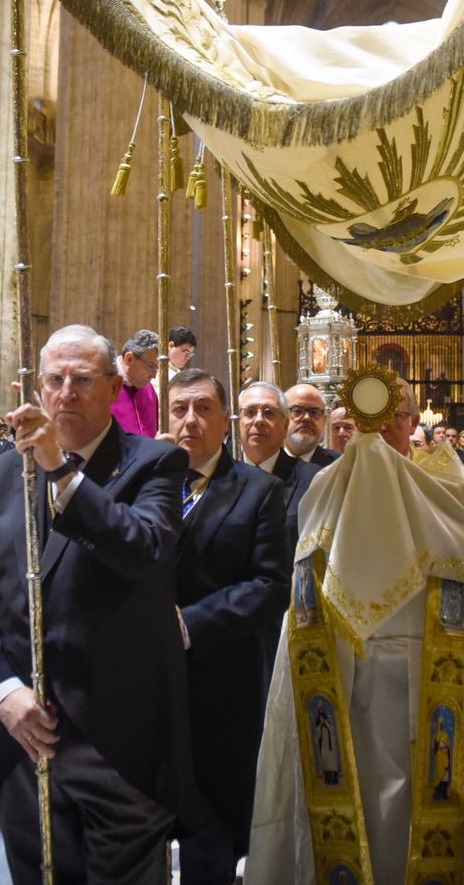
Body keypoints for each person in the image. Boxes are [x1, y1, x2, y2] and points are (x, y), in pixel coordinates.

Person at [248, 377, 464, 883]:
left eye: (400, 415)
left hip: (430, 675)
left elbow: (461, 567)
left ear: (415, 420)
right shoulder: (326, 486)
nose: (386, 429)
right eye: (377, 417)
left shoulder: (443, 482)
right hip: (343, 681)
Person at [0, 324, 199, 884]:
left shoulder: (153, 465)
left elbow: (143, 550)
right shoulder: (0, 473)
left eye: (83, 380)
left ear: (115, 386)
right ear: (39, 387)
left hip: (118, 744)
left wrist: (59, 472)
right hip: (21, 739)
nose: (66, 392)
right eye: (55, 379)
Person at [166, 369, 290, 885]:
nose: (189, 421)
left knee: (210, 832)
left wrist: (186, 626)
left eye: (202, 409)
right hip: (144, 689)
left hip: (218, 682)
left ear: (225, 423)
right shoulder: (142, 483)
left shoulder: (258, 491)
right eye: (178, 410)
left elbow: (269, 585)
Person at [237, 380, 320, 550]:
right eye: (250, 412)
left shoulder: (313, 481)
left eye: (268, 413)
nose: (259, 420)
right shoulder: (219, 478)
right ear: (238, 423)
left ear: (285, 426)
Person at [110, 328, 161, 437]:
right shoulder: (104, 386)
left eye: (156, 369)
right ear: (129, 359)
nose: (154, 375)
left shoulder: (150, 390)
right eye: (150, 367)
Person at [284, 382, 340, 466]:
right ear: (283, 416)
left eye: (314, 412)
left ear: (324, 421)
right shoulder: (266, 463)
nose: (306, 418)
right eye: (297, 411)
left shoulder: (338, 466)